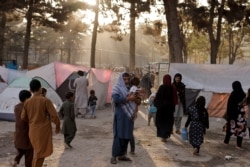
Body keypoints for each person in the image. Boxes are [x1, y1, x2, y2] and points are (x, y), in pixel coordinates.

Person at [21, 79, 61, 167]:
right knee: (40, 154)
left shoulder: (27, 102)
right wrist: (58, 126)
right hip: (43, 131)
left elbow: (23, 117)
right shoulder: (45, 100)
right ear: (40, 89)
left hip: (32, 130)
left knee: (38, 152)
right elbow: (54, 116)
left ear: (30, 90)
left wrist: (32, 122)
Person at [110, 72, 140, 164]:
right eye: (124, 79)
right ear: (121, 79)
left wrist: (137, 101)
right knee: (119, 135)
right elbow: (116, 99)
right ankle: (114, 156)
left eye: (128, 79)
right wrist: (128, 99)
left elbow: (138, 101)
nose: (126, 81)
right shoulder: (117, 88)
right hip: (121, 114)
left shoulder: (131, 88)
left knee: (127, 135)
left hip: (129, 114)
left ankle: (122, 155)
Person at [154, 74, 178, 142]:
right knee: (168, 122)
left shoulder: (162, 87)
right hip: (169, 109)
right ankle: (166, 135)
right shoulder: (173, 88)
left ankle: (163, 136)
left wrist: (156, 104)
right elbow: (174, 99)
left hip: (161, 109)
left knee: (161, 122)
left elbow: (158, 97)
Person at [224, 81, 246, 150]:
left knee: (230, 128)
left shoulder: (233, 94)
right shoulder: (243, 94)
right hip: (240, 115)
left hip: (232, 115)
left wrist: (228, 115)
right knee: (240, 129)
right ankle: (238, 145)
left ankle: (226, 142)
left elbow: (229, 105)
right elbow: (244, 105)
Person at [13, 90, 33, 167]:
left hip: (18, 134)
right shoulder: (27, 108)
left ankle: (16, 160)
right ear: (26, 98)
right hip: (27, 135)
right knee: (29, 154)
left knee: (20, 150)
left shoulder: (16, 107)